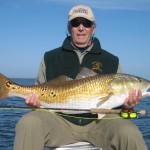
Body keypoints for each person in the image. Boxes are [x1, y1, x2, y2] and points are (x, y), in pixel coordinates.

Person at [14, 5, 148, 150]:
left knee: (130, 132)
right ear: (69, 27)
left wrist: (128, 106)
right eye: (75, 23)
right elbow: (38, 90)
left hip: (100, 124)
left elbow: (121, 107)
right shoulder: (50, 57)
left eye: (87, 23)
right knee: (28, 123)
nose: (81, 27)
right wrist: (34, 104)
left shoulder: (112, 60)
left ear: (93, 28)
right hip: (59, 122)